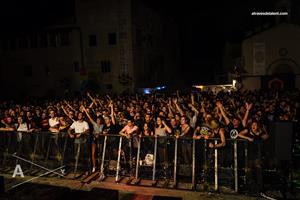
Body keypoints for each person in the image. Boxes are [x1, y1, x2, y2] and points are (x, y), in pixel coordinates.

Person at [83, 106, 104, 172]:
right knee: (93, 154)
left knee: (100, 154)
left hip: (101, 141)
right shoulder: (94, 124)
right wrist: (85, 110)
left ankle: (101, 167)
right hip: (94, 140)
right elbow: (89, 117)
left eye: (99, 120)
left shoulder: (103, 125)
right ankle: (94, 167)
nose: (98, 121)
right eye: (97, 120)